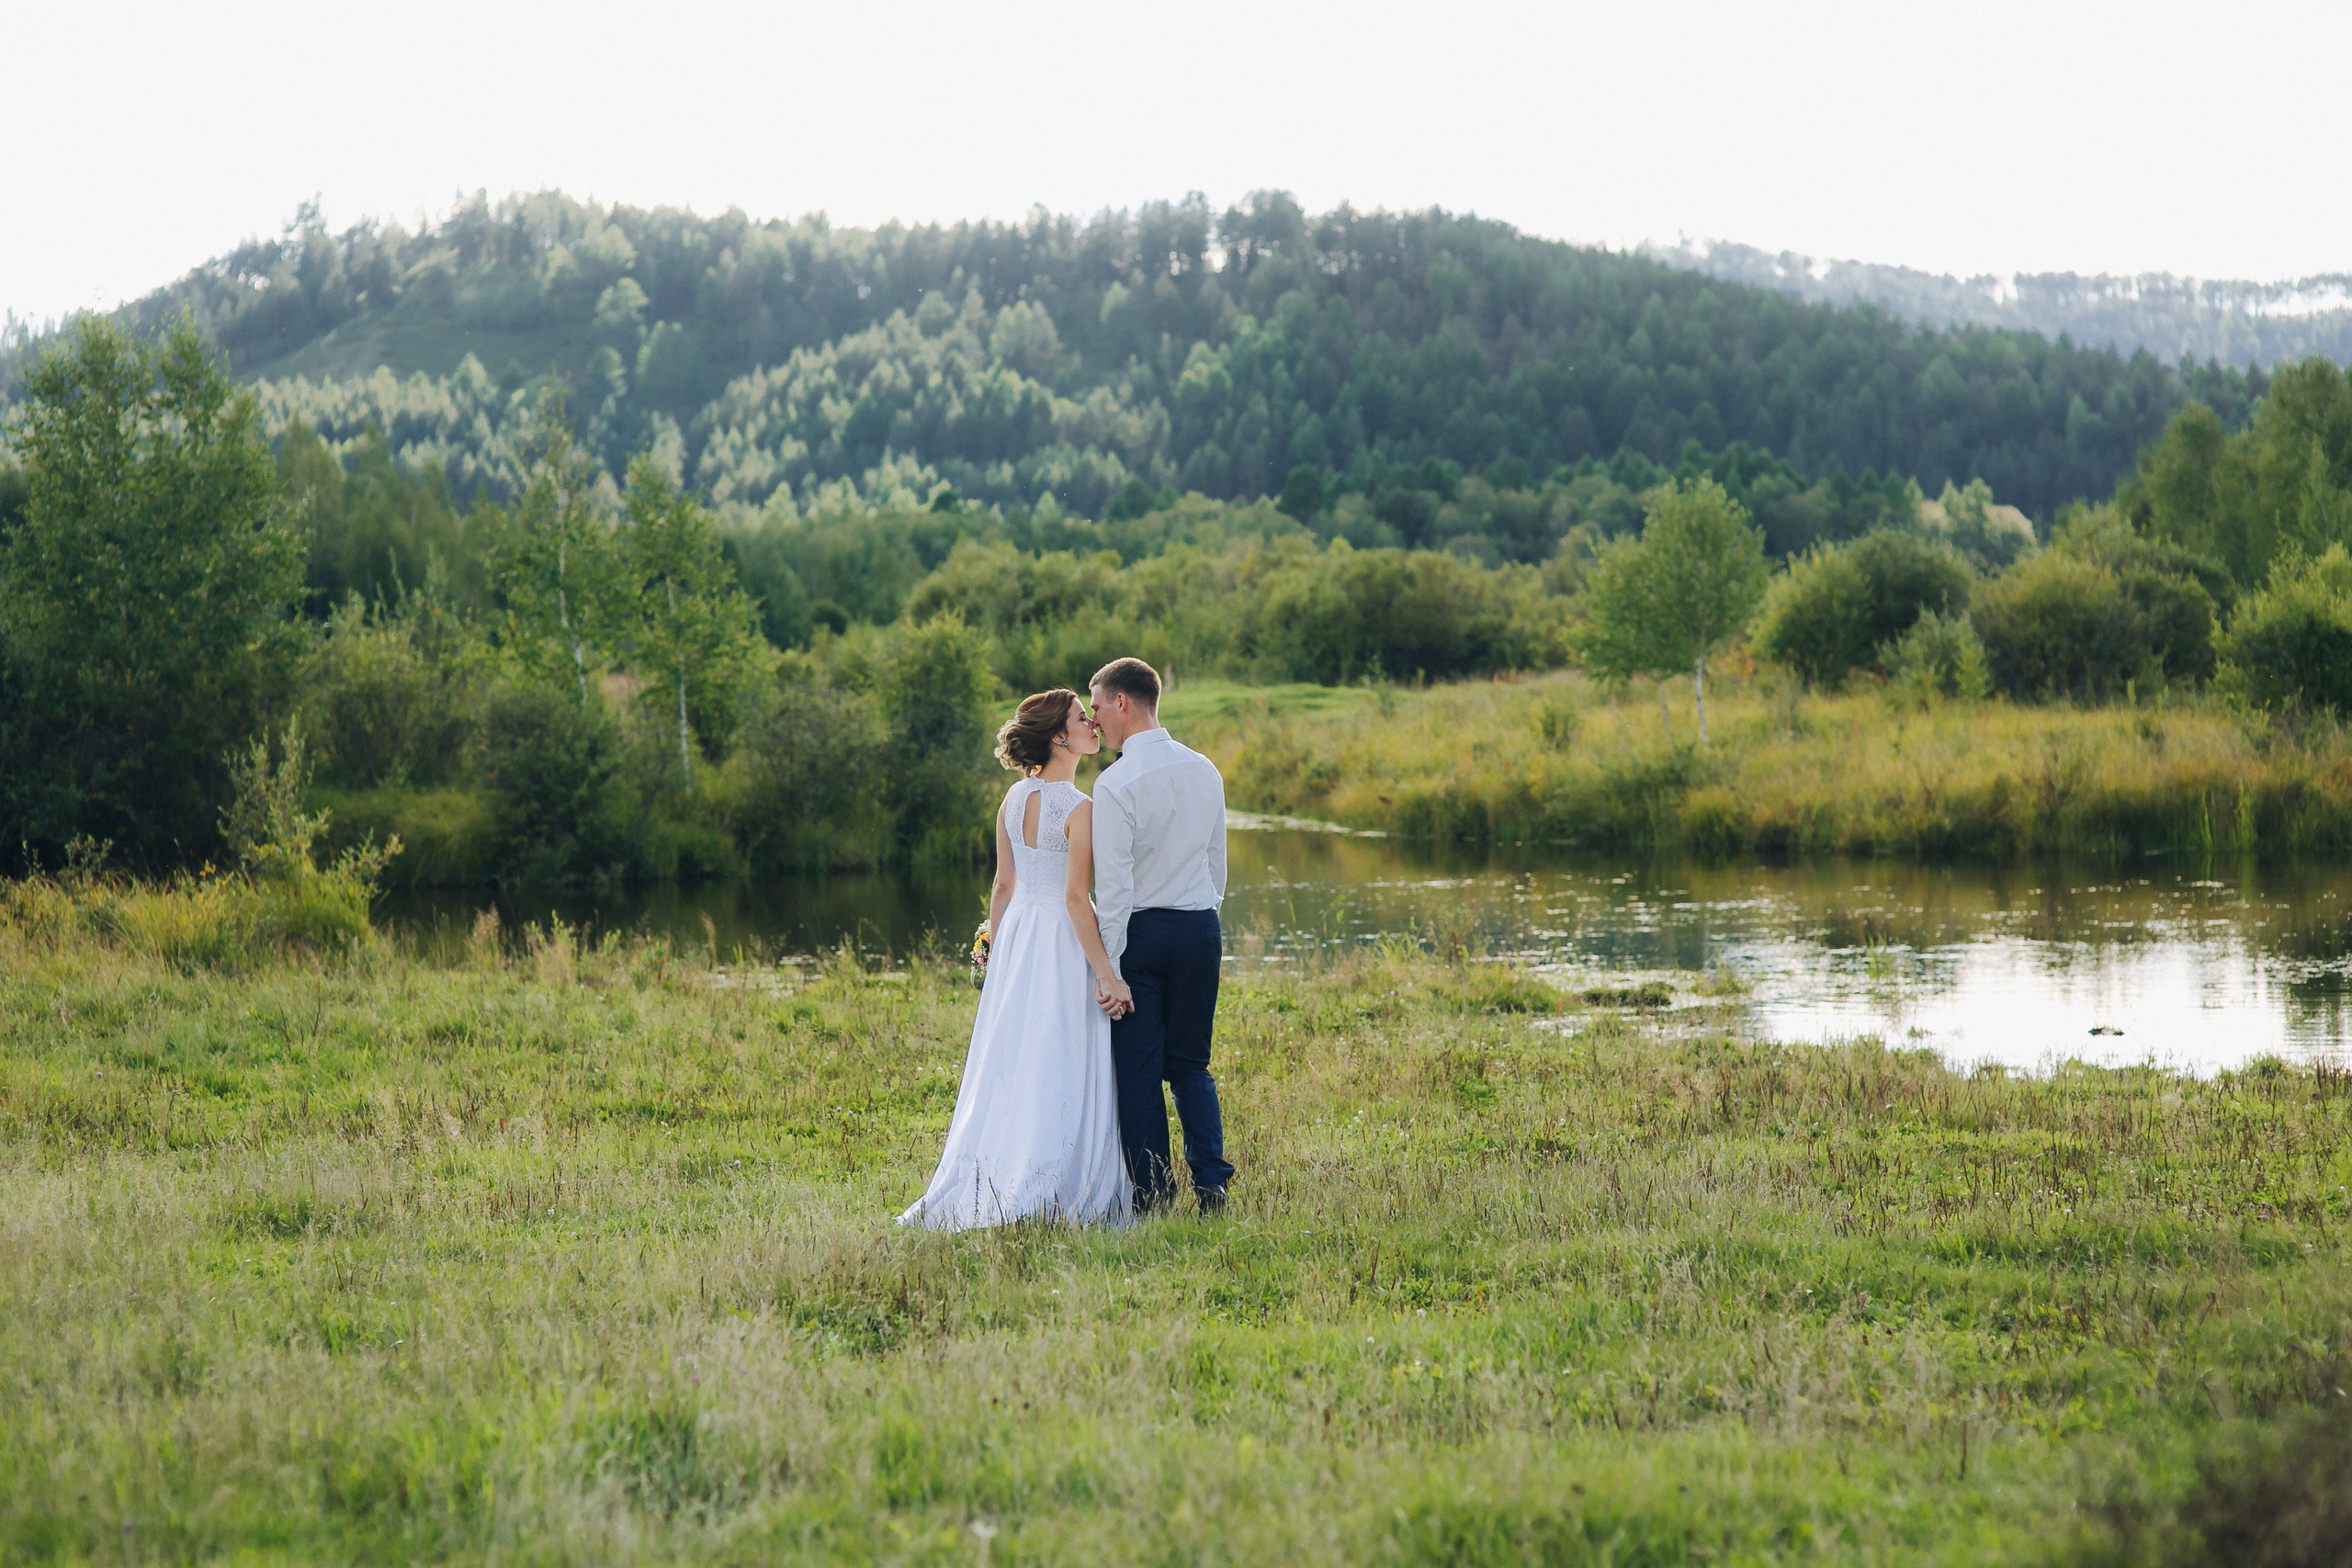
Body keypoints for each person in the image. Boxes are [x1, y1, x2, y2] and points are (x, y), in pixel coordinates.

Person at [899, 690, 1134, 1230]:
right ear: (1058, 737)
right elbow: (1077, 900)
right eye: (1081, 719)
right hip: (1059, 938)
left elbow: (1003, 885)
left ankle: (1004, 1171)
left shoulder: (1011, 799)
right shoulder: (1081, 809)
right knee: (1064, 1053)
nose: (1092, 724)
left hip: (1021, 937)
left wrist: (996, 955)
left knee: (1021, 1055)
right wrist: (1106, 973)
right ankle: (1051, 1182)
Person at [1087, 657, 1235, 1213]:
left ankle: (1152, 1197)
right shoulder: (1206, 768)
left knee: (1141, 1072)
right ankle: (1212, 1186)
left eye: (1097, 703)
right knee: (1191, 1064)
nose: (1094, 716)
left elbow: (1117, 889)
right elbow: (1216, 866)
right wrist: (1201, 915)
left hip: (1143, 935)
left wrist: (1110, 968)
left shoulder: (1116, 783)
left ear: (1122, 701)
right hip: (1200, 927)